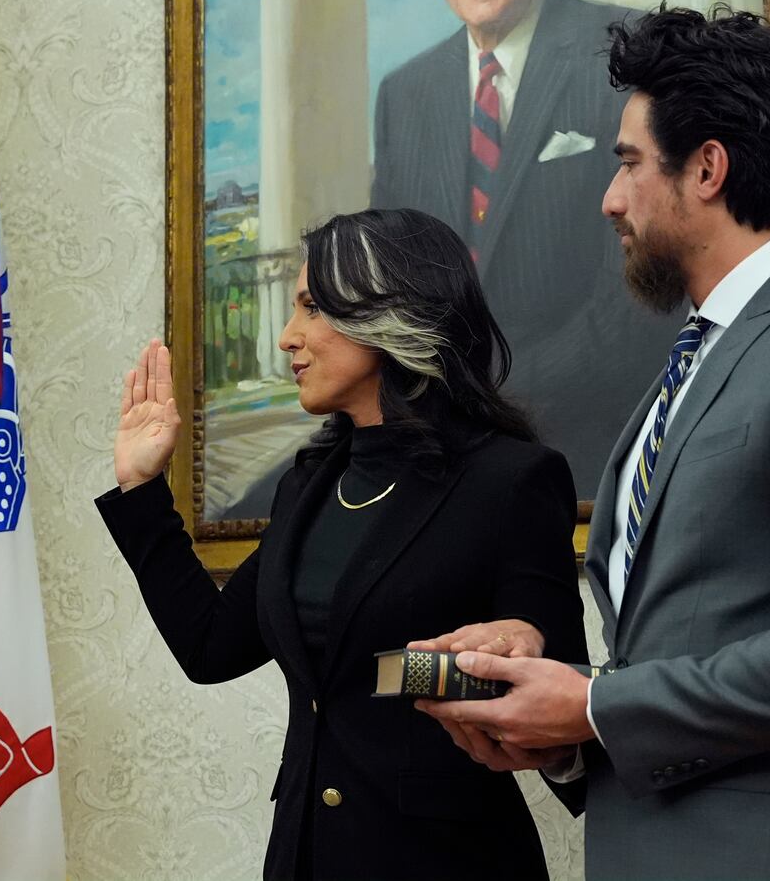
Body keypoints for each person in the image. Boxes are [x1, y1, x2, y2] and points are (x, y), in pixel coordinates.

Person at [414, 7, 770, 879]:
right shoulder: (696, 359)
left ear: (707, 168)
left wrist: (594, 706)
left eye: (628, 163)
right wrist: (559, 730)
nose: (610, 198)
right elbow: (678, 651)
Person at [97, 208, 586, 880]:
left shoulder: (511, 481)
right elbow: (209, 648)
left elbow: (559, 702)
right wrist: (141, 488)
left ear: (390, 314)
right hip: (305, 858)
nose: (287, 338)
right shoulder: (311, 485)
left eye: (310, 308)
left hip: (446, 864)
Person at [371, 0, 681, 491]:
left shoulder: (623, 56)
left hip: (589, 455)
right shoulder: (404, 96)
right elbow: (390, 292)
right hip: (438, 461)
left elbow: (640, 300)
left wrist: (486, 403)